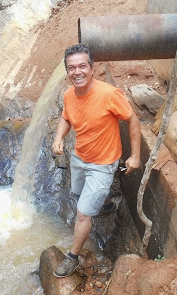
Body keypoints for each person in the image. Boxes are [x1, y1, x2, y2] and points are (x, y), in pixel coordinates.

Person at [52, 44, 141, 278]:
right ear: (67, 71)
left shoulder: (109, 94)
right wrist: (59, 136)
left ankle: (73, 257)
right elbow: (65, 117)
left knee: (83, 213)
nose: (77, 72)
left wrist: (135, 155)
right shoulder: (69, 95)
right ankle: (105, 204)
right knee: (78, 194)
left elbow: (133, 120)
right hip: (80, 157)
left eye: (82, 66)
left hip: (103, 164)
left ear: (92, 68)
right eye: (72, 68)